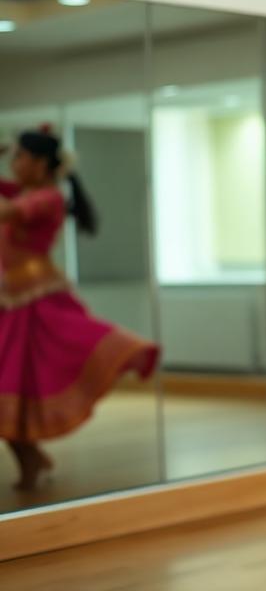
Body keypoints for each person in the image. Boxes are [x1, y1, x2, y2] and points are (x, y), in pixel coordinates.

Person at [0, 128, 158, 490]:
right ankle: (32, 459)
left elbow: (8, 212)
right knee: (9, 387)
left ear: (40, 164)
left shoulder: (48, 198)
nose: (15, 163)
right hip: (12, 301)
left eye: (21, 157)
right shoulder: (24, 191)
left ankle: (31, 461)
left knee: (19, 384)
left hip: (37, 303)